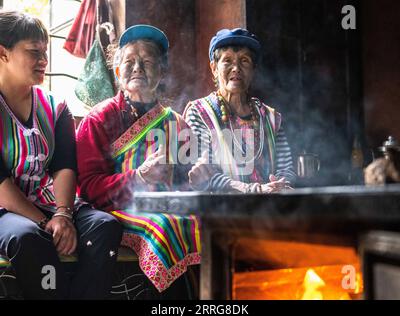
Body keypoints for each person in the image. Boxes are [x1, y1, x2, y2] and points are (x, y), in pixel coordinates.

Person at [0, 10, 122, 299]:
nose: (44, 60)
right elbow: (1, 186)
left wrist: (64, 214)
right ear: (3, 53)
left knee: (105, 227)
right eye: (34, 52)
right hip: (6, 209)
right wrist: (47, 222)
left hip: (52, 203)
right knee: (28, 237)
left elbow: (65, 166)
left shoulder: (55, 107)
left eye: (45, 51)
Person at [76, 25, 200, 296]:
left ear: (162, 72)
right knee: (165, 227)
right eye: (129, 62)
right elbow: (88, 188)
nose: (137, 68)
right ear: (117, 71)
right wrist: (139, 177)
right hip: (116, 210)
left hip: (167, 207)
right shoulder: (99, 119)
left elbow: (186, 182)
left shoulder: (176, 123)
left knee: (208, 223)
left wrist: (197, 177)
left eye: (147, 62)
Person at [184, 28, 296, 193]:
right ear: (214, 68)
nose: (236, 68)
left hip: (270, 207)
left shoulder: (270, 117)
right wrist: (255, 190)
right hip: (220, 211)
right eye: (227, 60)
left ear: (253, 70)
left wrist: (279, 185)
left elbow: (286, 168)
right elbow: (205, 173)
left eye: (244, 61)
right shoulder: (199, 113)